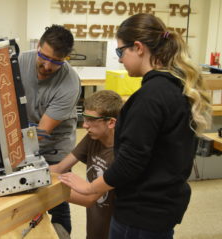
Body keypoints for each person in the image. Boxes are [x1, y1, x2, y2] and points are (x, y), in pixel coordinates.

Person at [59, 13, 212, 239]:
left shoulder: (150, 96)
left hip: (141, 213)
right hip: (161, 208)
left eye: (121, 51)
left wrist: (90, 187)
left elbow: (130, 162)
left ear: (138, 48)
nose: (120, 59)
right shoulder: (173, 87)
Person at [18, 24, 81, 234]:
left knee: (57, 200)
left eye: (55, 62)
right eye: (43, 56)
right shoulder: (20, 61)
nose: (46, 65)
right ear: (38, 46)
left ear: (65, 58)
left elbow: (42, 133)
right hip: (25, 134)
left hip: (54, 145)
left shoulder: (69, 83)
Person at [50, 90, 123, 239]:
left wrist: (43, 194)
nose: (84, 125)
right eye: (84, 118)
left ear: (111, 122)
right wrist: (31, 175)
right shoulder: (93, 138)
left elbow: (89, 199)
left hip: (114, 230)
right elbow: (59, 168)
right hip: (95, 225)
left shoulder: (121, 155)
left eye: (91, 120)